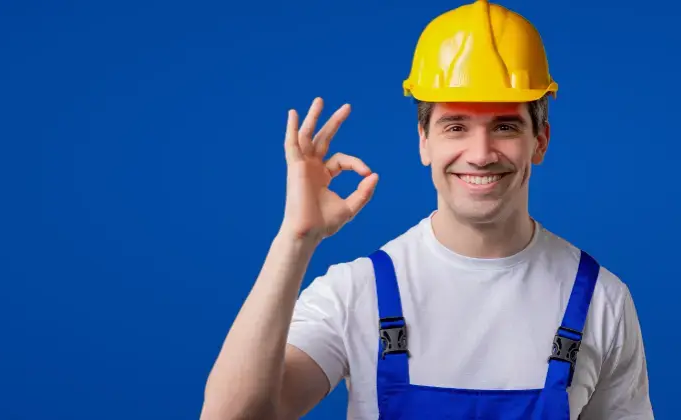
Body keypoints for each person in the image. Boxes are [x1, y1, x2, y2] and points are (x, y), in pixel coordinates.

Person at [200, 0, 653, 419]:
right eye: (455, 126)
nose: (480, 153)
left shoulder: (601, 301)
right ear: (424, 142)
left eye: (505, 126)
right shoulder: (358, 292)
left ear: (540, 141)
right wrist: (295, 239)